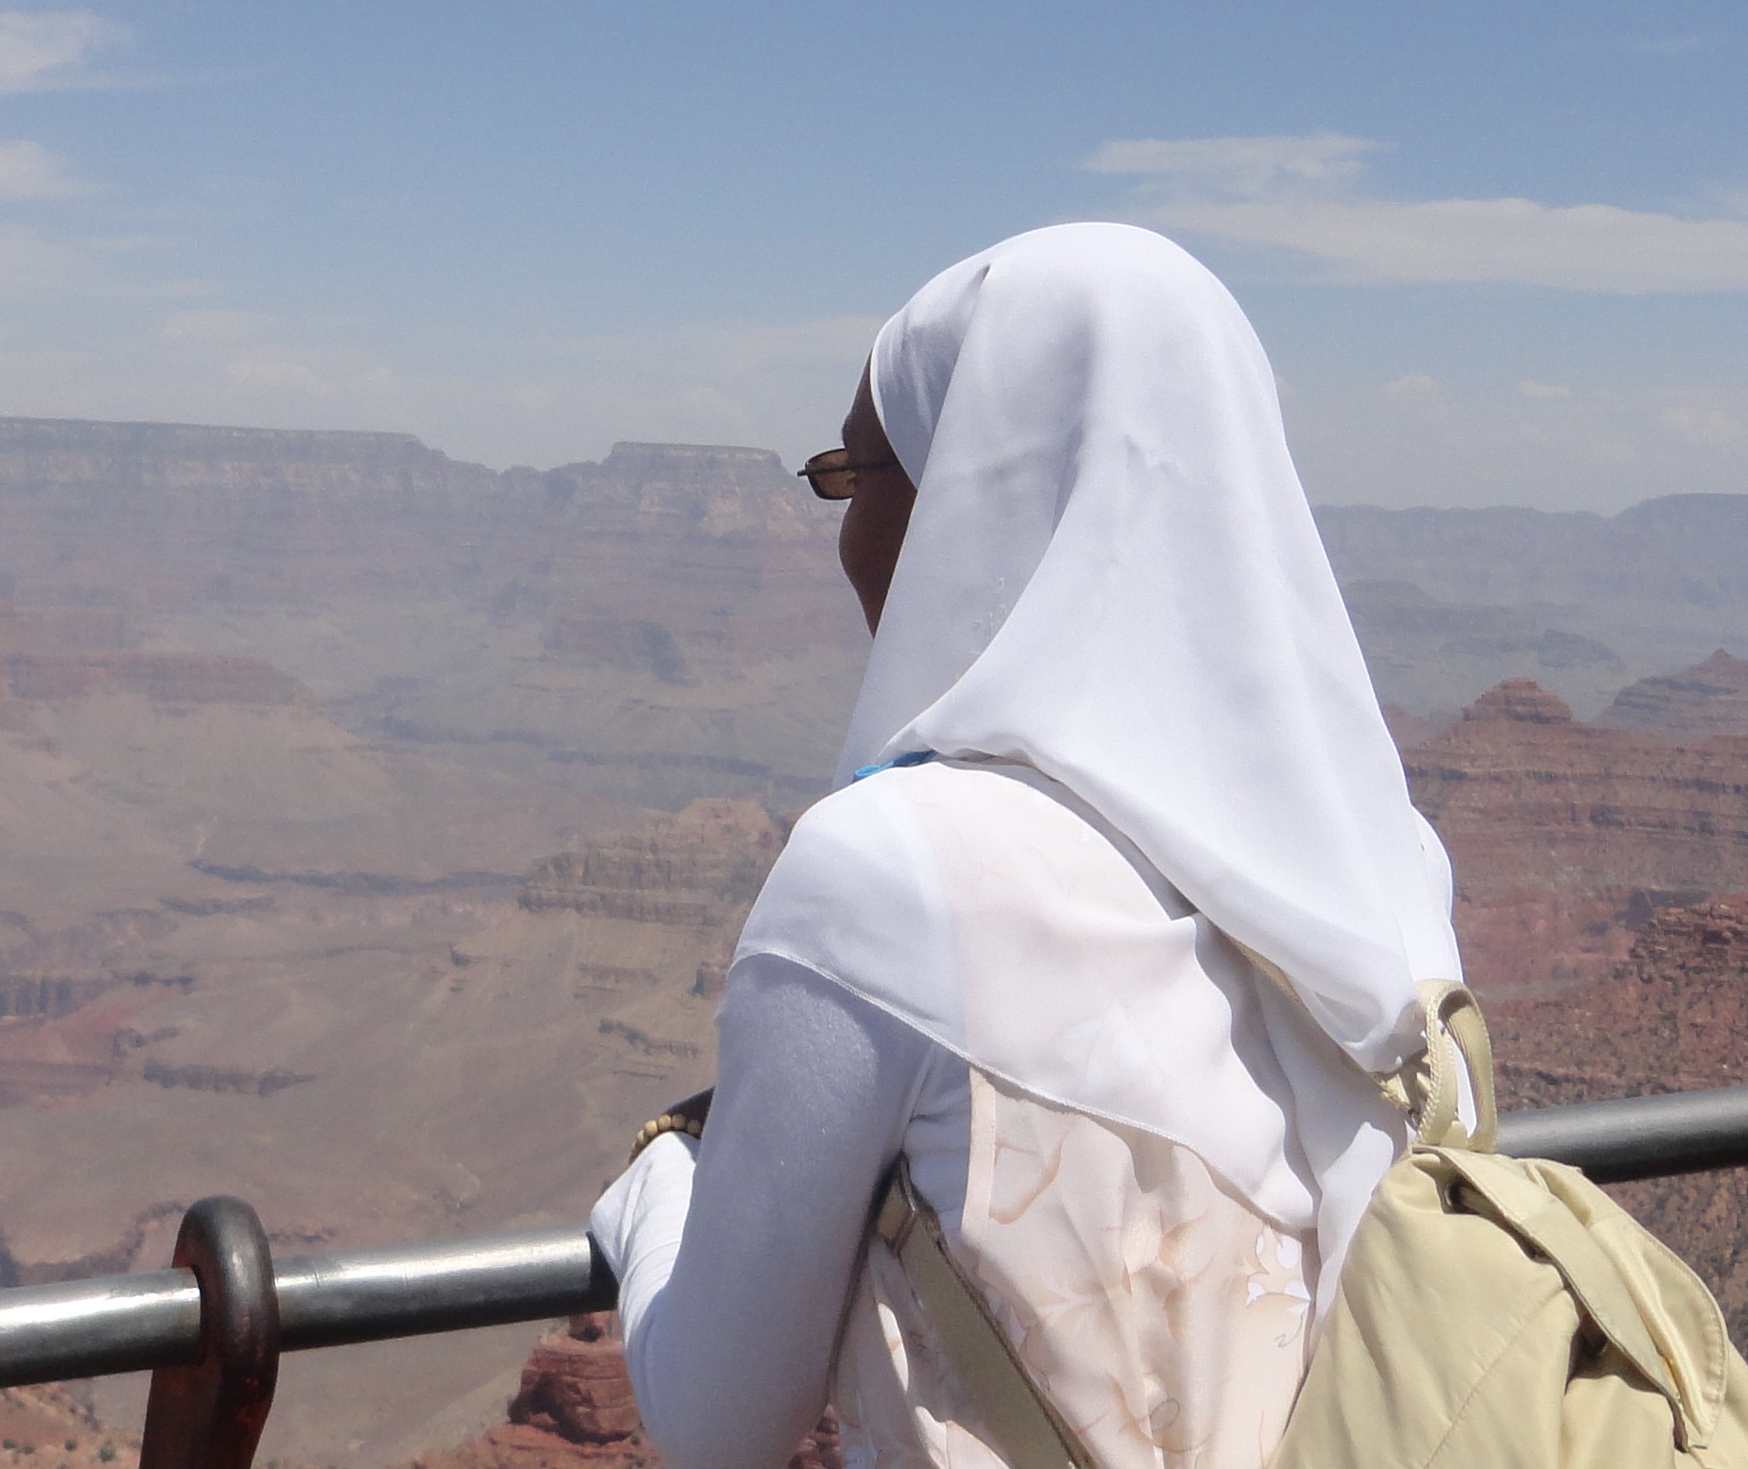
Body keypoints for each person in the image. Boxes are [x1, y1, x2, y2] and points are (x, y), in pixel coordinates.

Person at [587, 223, 1462, 1469]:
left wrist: (656, 1187)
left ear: (965, 486)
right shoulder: (1385, 870)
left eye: (854, 474)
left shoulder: (887, 872)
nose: (844, 535)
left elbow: (719, 1426)